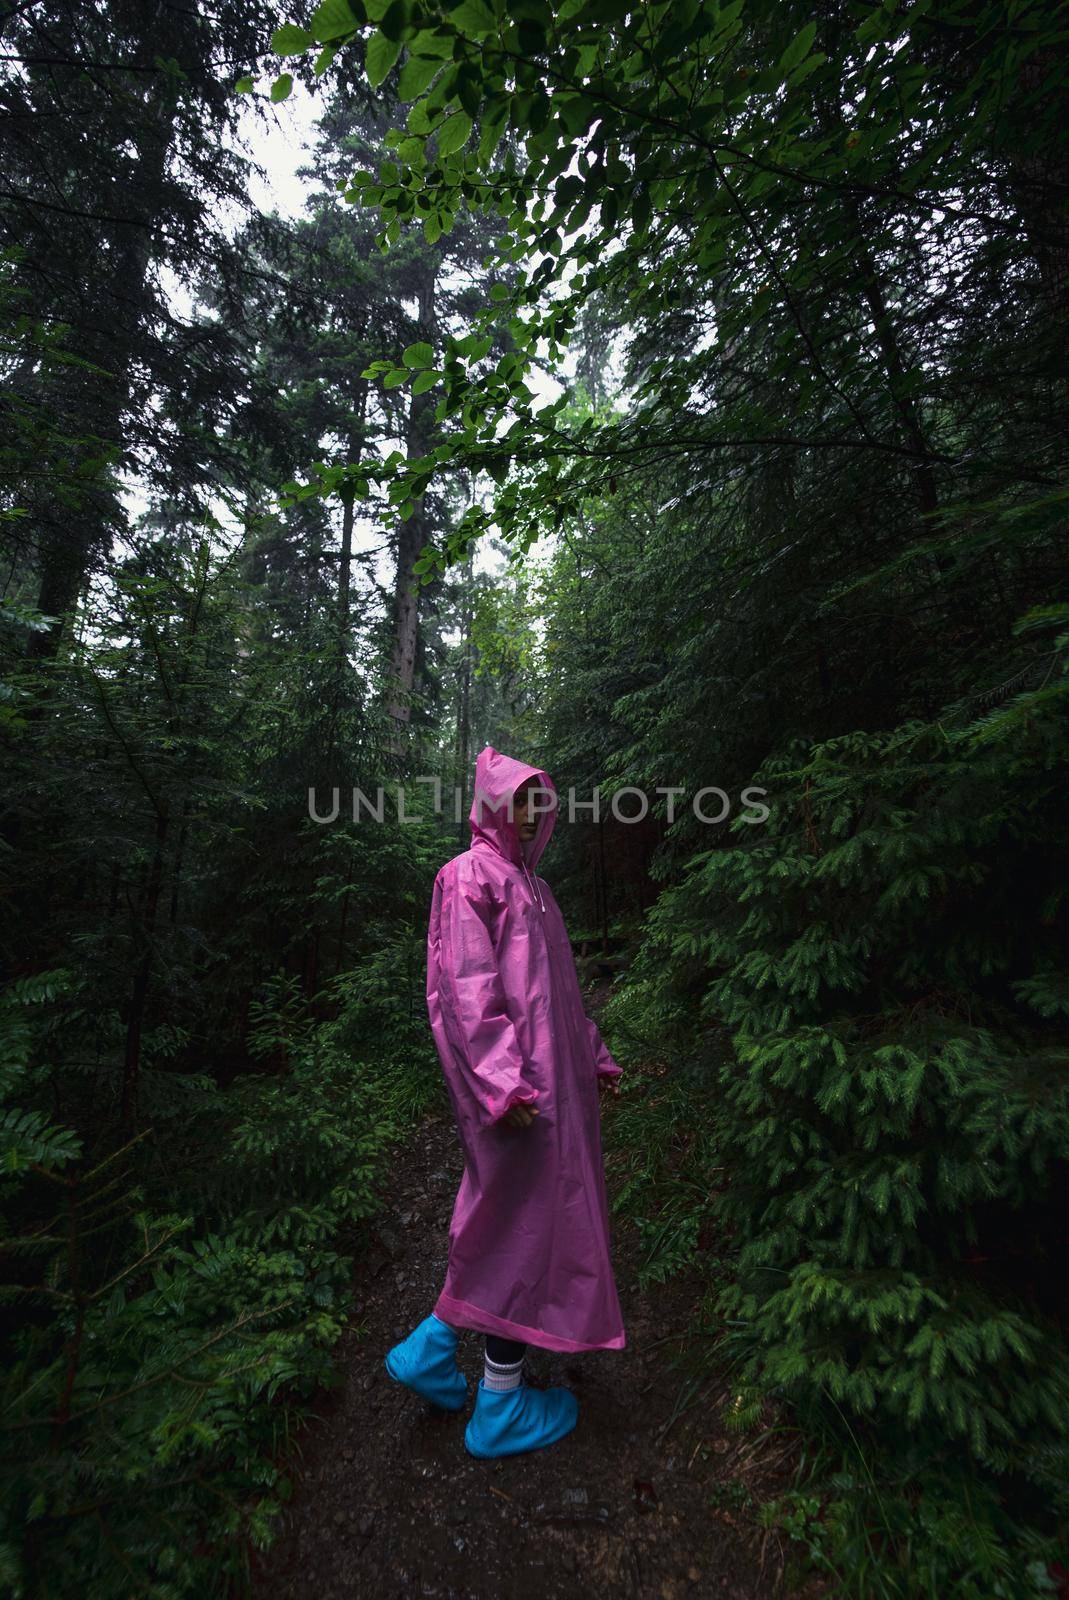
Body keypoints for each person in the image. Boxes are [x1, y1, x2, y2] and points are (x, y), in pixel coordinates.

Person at [384, 744, 626, 1458]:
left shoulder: (534, 887)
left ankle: (433, 1350)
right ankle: (498, 1406)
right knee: (519, 1231)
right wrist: (501, 1081)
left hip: (549, 1087)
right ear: (489, 804)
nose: (531, 810)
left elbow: (558, 993)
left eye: (538, 799)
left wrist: (593, 1055)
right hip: (519, 1092)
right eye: (518, 797)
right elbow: (464, 989)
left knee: (511, 1224)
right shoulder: (466, 878)